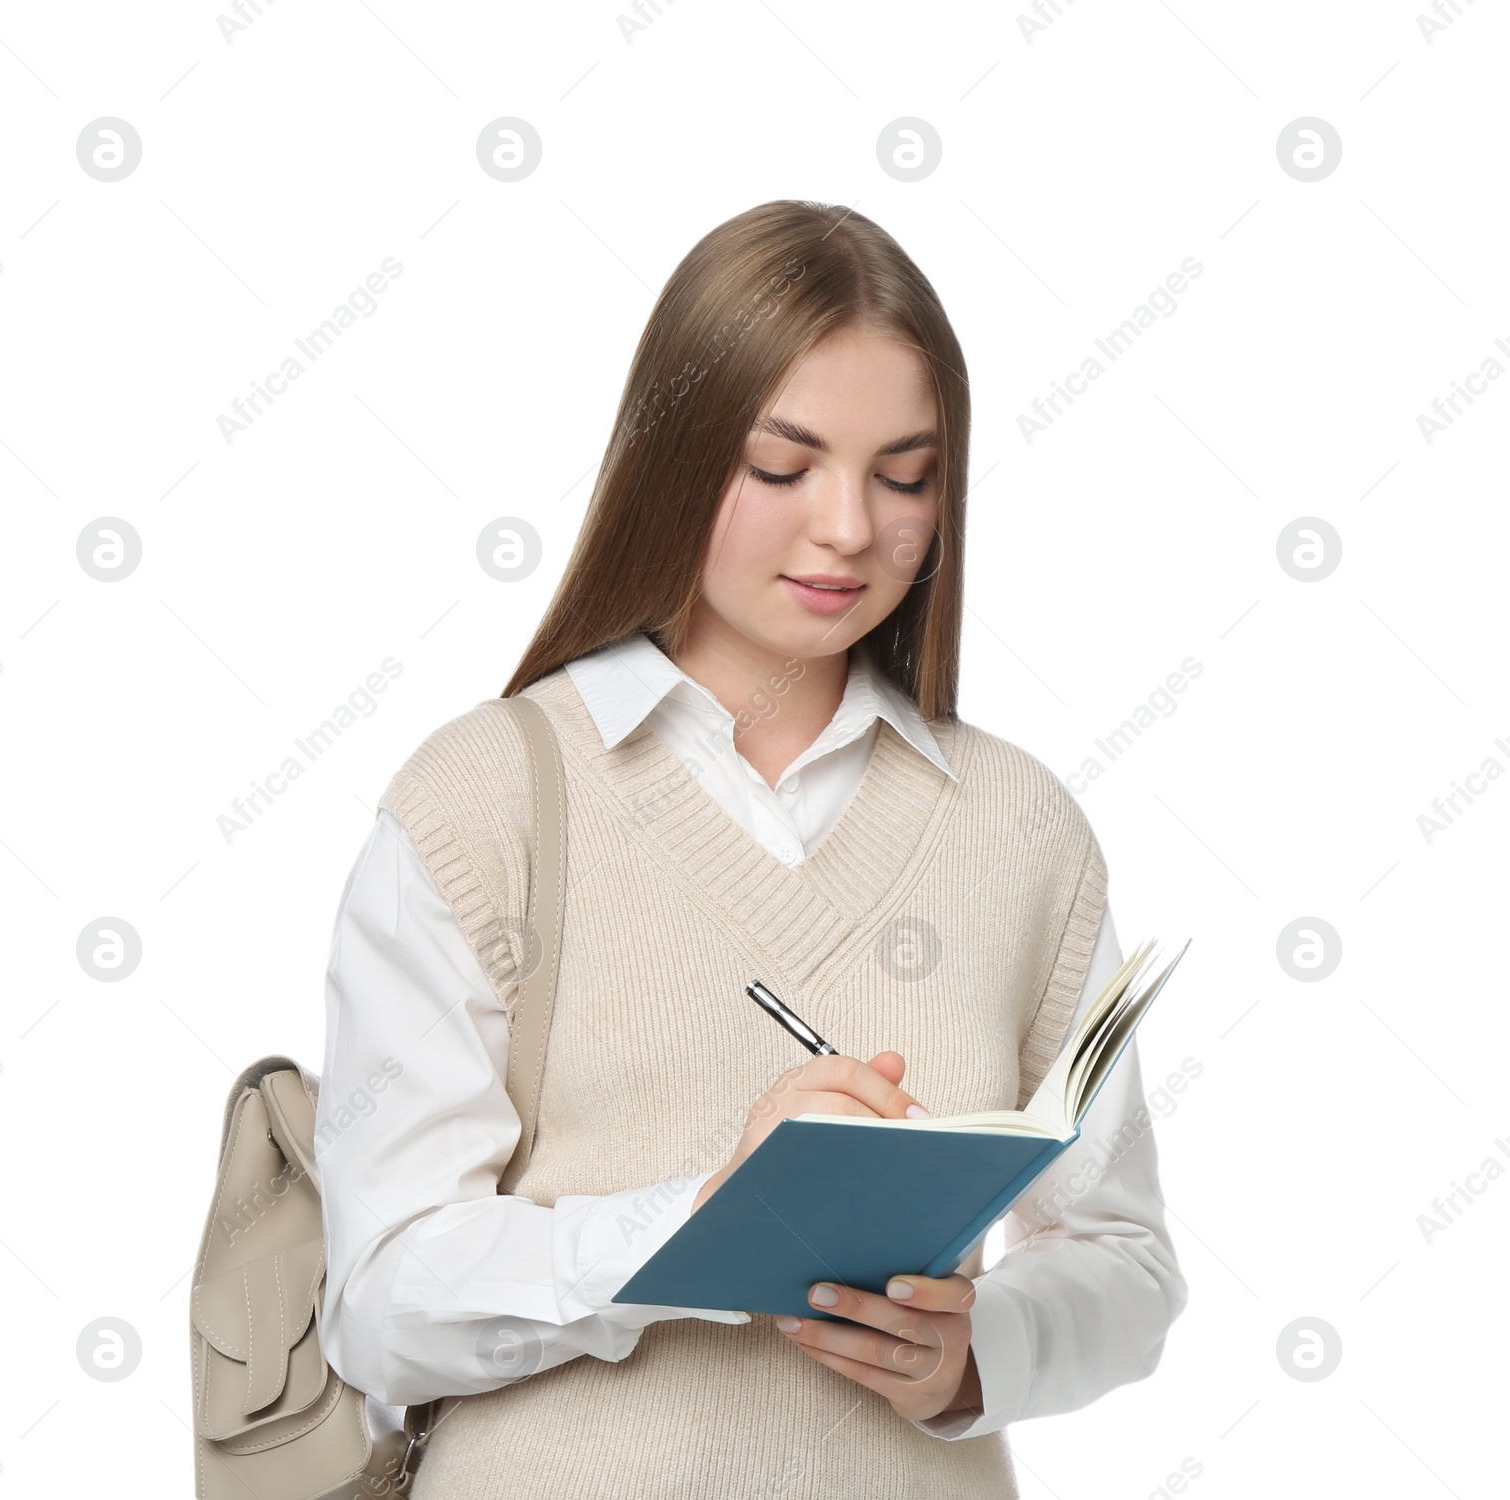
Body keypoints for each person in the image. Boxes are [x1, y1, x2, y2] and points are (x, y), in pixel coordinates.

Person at [314, 199, 1186, 1499]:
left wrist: (969, 1356)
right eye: (783, 468)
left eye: (904, 474)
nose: (848, 527)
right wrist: (706, 1225)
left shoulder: (1019, 829)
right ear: (671, 457)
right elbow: (379, 1301)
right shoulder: (484, 797)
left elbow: (1123, 1260)